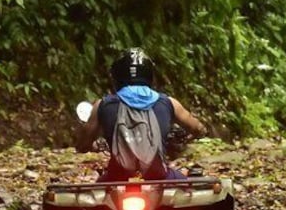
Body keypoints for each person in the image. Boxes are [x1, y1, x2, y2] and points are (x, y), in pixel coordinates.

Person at [75, 47, 207, 181]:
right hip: (158, 176)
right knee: (187, 185)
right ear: (149, 74)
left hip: (117, 177)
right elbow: (199, 129)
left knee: (97, 193)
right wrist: (189, 137)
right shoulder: (168, 103)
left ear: (116, 75)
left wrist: (91, 145)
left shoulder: (102, 105)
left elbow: (82, 145)